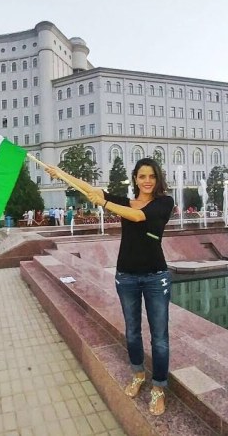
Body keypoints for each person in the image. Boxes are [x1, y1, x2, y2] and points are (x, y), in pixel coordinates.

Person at [45, 157, 173, 416]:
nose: (147, 181)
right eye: (142, 176)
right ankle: (138, 374)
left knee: (159, 338)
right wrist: (62, 174)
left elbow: (137, 216)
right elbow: (92, 190)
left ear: (157, 179)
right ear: (135, 178)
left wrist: (104, 203)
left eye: (151, 176)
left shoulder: (164, 202)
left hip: (155, 277)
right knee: (132, 332)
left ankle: (159, 388)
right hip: (126, 275)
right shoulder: (126, 200)